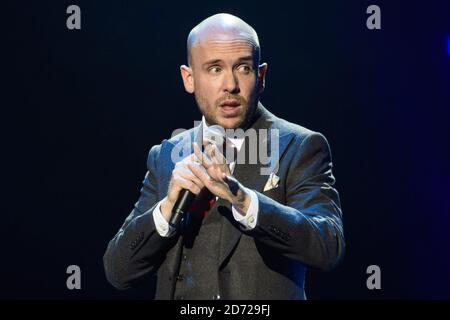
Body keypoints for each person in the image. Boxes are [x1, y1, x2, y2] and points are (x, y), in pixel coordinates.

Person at [103, 13, 344, 300]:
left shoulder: (300, 145)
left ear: (261, 76)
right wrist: (166, 209)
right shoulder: (166, 156)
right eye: (215, 69)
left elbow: (328, 247)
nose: (230, 84)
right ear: (189, 78)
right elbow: (118, 271)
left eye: (243, 68)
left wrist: (244, 200)